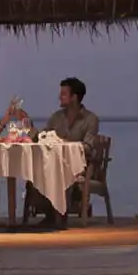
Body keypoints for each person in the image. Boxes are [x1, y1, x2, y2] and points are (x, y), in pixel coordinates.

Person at [27, 77, 103, 224]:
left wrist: (63, 143)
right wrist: (30, 128)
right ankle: (49, 213)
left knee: (61, 173)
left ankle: (57, 216)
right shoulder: (57, 117)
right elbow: (42, 137)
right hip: (53, 164)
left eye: (63, 94)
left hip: (80, 167)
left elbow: (87, 147)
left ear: (74, 97)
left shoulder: (90, 119)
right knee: (35, 171)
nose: (59, 97)